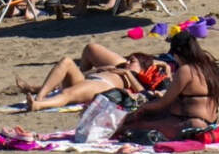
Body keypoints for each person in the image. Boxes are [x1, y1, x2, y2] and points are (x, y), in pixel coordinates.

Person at [117, 30, 219, 138]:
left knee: (131, 126)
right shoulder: (209, 67)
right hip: (209, 122)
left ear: (177, 54)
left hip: (191, 124)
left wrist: (143, 108)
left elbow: (163, 103)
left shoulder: (186, 70)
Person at [15, 42, 168, 111]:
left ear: (142, 66)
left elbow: (143, 93)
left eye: (132, 61)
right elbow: (84, 75)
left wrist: (128, 73)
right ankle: (40, 96)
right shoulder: (119, 67)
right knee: (66, 61)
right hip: (92, 79)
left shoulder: (139, 77)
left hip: (102, 85)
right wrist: (99, 70)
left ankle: (38, 105)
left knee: (68, 93)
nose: (127, 62)